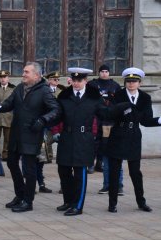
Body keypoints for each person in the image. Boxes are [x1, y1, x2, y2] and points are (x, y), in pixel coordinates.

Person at [0, 62, 60, 213]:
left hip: (31, 134)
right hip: (16, 133)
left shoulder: (44, 90)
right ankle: (20, 195)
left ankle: (28, 201)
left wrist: (42, 120)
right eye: (23, 72)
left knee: (29, 169)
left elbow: (55, 109)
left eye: (26, 72)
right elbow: (8, 104)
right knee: (11, 163)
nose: (23, 74)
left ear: (36, 75)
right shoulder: (20, 88)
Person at [52, 68, 109, 216]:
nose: (76, 83)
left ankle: (78, 205)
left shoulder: (94, 97)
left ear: (85, 81)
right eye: (74, 80)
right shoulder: (64, 96)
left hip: (84, 139)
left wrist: (119, 110)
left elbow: (105, 113)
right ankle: (68, 201)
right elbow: (57, 115)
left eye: (80, 81)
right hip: (67, 137)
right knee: (63, 170)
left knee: (79, 173)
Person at [105, 68, 161, 213]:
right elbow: (111, 114)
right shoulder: (118, 95)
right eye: (128, 81)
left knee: (135, 172)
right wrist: (122, 109)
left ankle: (141, 202)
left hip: (134, 136)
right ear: (125, 83)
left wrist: (159, 120)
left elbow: (146, 121)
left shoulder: (144, 98)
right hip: (118, 134)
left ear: (139, 83)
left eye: (134, 81)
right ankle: (112, 203)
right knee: (114, 171)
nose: (131, 84)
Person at [88, 64, 123, 193]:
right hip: (95, 118)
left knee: (108, 147)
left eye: (106, 71)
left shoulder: (114, 86)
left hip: (110, 120)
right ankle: (91, 163)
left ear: (109, 73)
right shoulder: (92, 85)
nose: (104, 73)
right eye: (102, 71)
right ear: (99, 72)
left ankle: (102, 166)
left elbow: (119, 102)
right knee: (94, 142)